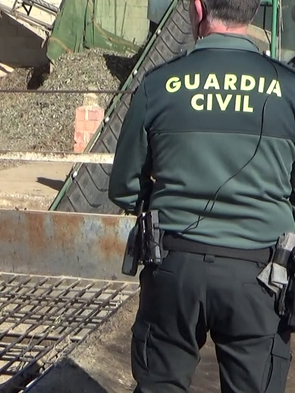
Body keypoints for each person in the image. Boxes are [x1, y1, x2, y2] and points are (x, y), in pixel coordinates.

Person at [108, 0, 295, 392]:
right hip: (262, 277)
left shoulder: (159, 84)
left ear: (198, 8)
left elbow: (124, 187)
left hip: (173, 268)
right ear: (255, 10)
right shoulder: (289, 89)